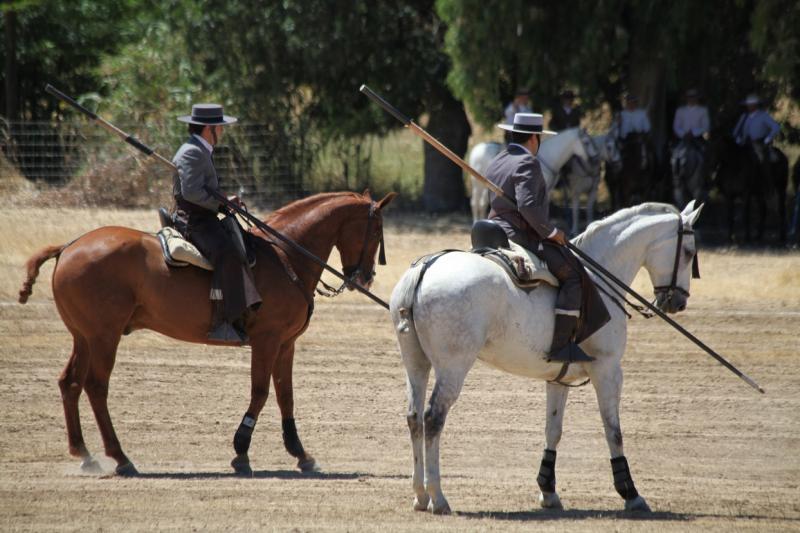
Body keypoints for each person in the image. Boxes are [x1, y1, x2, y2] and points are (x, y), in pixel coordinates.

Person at [487, 112, 609, 363]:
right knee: (574, 276)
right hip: (520, 234)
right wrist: (553, 233)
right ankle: (561, 346)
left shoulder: (499, 159)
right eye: (539, 137)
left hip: (493, 228)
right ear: (534, 138)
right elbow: (529, 208)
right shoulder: (527, 163)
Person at [172, 104, 262, 344]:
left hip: (205, 215)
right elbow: (191, 193)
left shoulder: (201, 150)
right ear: (210, 128)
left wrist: (225, 201)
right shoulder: (192, 152)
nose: (222, 132)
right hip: (194, 220)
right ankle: (223, 321)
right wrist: (220, 204)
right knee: (227, 253)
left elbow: (203, 189)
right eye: (220, 128)